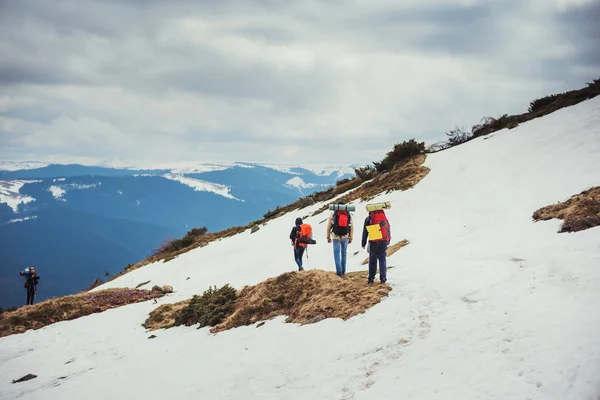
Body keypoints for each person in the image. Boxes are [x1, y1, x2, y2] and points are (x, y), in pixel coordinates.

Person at [361, 210, 391, 284]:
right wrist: (388, 240)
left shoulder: (369, 219)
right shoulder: (384, 218)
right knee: (382, 259)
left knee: (372, 260)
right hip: (384, 241)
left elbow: (365, 232)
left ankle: (371, 278)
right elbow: (388, 229)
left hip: (374, 242)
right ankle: (383, 278)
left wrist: (363, 243)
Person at [327, 200, 353, 277]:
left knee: (337, 254)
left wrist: (328, 237)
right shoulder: (348, 214)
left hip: (336, 236)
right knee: (344, 253)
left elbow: (329, 227)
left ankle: (339, 272)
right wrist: (351, 237)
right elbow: (351, 227)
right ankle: (343, 270)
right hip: (345, 236)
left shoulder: (334, 214)